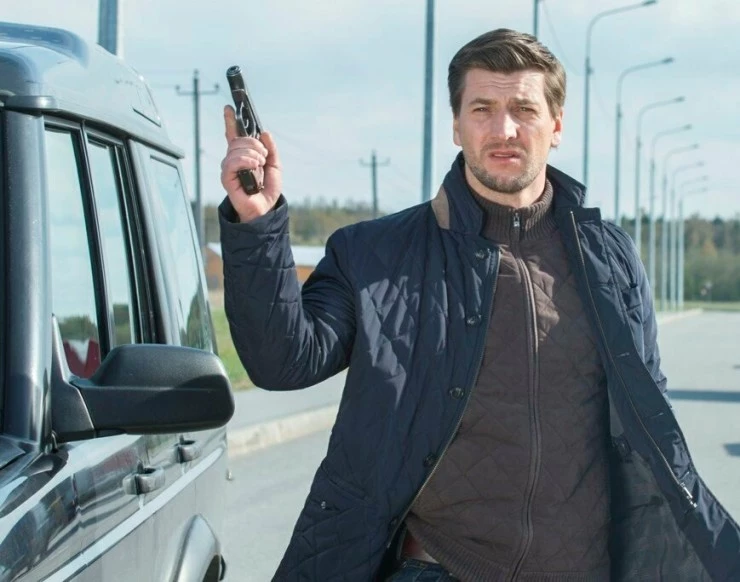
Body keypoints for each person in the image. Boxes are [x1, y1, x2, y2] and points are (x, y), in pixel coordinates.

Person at [218, 29, 739, 582]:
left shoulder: (611, 258)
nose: (503, 129)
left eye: (524, 110)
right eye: (482, 109)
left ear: (557, 126)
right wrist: (258, 224)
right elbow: (284, 362)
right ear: (456, 125)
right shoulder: (375, 252)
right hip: (437, 568)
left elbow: (646, 423)